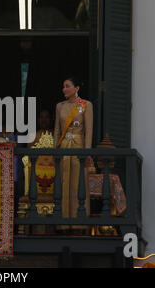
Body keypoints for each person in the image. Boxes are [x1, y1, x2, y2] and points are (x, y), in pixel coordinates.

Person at [54, 77, 93, 234]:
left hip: (78, 147)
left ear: (76, 88)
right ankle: (62, 224)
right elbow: (57, 129)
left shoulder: (86, 105)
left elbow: (89, 130)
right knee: (63, 182)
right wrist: (54, 150)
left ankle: (80, 224)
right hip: (63, 147)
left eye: (67, 86)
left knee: (78, 183)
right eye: (63, 86)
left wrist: (87, 151)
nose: (64, 89)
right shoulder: (59, 106)